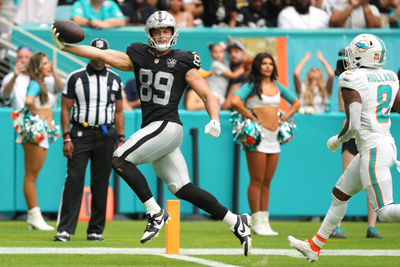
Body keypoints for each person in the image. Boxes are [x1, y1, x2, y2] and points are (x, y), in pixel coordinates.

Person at [50, 10, 252, 255]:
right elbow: (101, 54)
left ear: (173, 32)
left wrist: (215, 118)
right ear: (149, 34)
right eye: (157, 31)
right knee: (182, 187)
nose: (162, 35)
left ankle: (155, 212)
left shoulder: (184, 60)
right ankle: (234, 220)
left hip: (167, 125)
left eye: (165, 30)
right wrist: (66, 47)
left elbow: (207, 93)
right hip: (155, 129)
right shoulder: (139, 55)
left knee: (119, 158)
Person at [288, 33, 400, 262]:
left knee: (386, 212)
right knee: (339, 194)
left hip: (372, 150)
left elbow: (354, 124)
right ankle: (315, 245)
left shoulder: (352, 77)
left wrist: (337, 139)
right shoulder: (390, 76)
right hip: (383, 145)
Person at [53, 38, 125, 242]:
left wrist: (121, 139)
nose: (99, 58)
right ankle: (65, 229)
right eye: (95, 53)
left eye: (103, 54)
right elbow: (65, 108)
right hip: (80, 133)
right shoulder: (75, 77)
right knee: (74, 179)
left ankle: (95, 230)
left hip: (105, 134)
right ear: (88, 53)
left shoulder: (115, 79)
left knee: (101, 182)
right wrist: (66, 137)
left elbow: (119, 112)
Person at [231, 52, 301, 236]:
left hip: (274, 137)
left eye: (271, 63)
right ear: (258, 66)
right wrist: (250, 116)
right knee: (257, 180)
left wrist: (285, 117)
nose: (268, 66)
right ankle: (256, 220)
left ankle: (265, 221)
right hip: (257, 136)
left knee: (267, 181)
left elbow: (296, 102)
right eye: (264, 63)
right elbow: (235, 100)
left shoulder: (277, 86)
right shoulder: (251, 86)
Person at [12, 52, 59, 231]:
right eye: (46, 63)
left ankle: (34, 217)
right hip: (35, 130)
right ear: (38, 67)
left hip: (40, 131)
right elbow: (29, 100)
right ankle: (34, 216)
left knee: (32, 175)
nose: (49, 66)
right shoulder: (35, 83)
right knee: (31, 176)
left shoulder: (41, 83)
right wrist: (39, 114)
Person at [330, 85, 383, 239]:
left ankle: (372, 227)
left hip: (372, 137)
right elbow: (343, 107)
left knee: (372, 182)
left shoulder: (377, 83)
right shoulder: (349, 82)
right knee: (345, 182)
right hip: (352, 137)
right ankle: (337, 226)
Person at [207, 42, 244, 108]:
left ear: (224, 53)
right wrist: (245, 67)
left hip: (221, 94)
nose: (218, 54)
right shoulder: (215, 64)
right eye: (215, 52)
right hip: (214, 93)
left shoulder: (226, 63)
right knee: (215, 107)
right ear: (211, 55)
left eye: (221, 52)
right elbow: (233, 75)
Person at [221, 40, 246, 110]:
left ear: (244, 54)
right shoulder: (226, 72)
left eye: (236, 51)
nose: (233, 54)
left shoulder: (247, 75)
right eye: (230, 52)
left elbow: (227, 105)